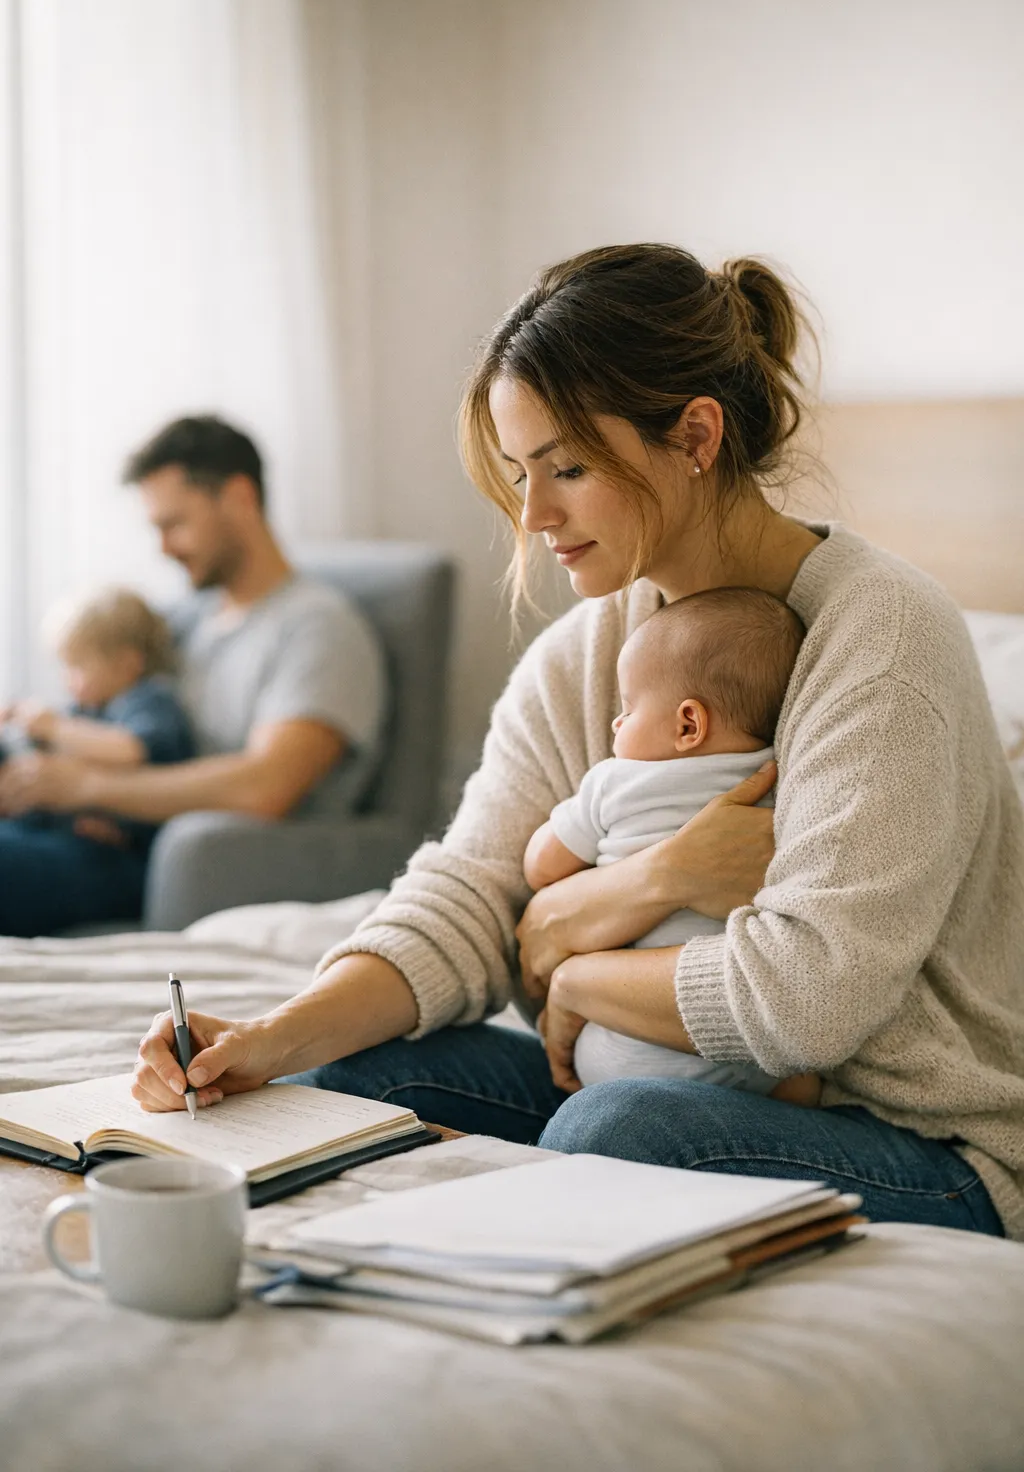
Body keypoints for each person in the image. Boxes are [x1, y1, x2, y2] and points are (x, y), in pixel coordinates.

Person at [132, 245, 1024, 1237]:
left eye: (566, 468)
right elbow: (471, 889)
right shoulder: (588, 649)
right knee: (352, 1073)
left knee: (614, 1126)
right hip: (664, 1080)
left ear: (694, 436)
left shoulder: (884, 638)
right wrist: (265, 1037)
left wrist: (568, 960)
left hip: (918, 1140)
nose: (533, 516)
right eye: (519, 473)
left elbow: (805, 1004)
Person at [0, 416, 385, 926]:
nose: (163, 548)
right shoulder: (184, 623)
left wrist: (88, 787)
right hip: (99, 832)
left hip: (193, 863)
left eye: (174, 524)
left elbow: (266, 784)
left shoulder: (318, 629)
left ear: (240, 498)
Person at [523, 586, 818, 1105]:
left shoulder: (617, 783)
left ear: (688, 723)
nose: (616, 723)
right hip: (749, 1059)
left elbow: (541, 868)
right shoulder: (781, 781)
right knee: (806, 1081)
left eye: (629, 708)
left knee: (594, 1109)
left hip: (624, 1054)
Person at [0, 587, 195, 935]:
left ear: (126, 662)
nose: (67, 681)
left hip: (121, 854)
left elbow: (133, 749)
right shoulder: (88, 710)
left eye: (77, 667)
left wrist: (56, 727)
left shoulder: (148, 700)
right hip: (65, 832)